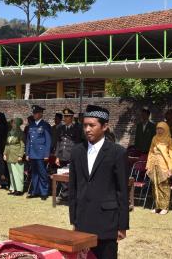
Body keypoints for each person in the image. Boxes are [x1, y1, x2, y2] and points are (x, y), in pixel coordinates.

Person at [69, 105, 129, 259]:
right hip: (83, 220)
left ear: (105, 126)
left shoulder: (117, 153)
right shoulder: (77, 152)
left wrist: (122, 225)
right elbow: (73, 188)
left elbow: (122, 191)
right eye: (85, 125)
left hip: (107, 222)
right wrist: (74, 220)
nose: (87, 129)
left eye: (92, 125)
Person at [146, 122, 172, 215]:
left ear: (165, 129)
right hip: (154, 165)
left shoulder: (169, 140)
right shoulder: (154, 138)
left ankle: (165, 207)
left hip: (164, 166)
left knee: (164, 186)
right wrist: (148, 165)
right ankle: (157, 207)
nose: (158, 130)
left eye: (161, 128)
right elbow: (150, 152)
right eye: (157, 128)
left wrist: (170, 169)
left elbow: (171, 155)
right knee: (155, 186)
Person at [26, 105, 52, 201]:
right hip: (33, 153)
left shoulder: (45, 125)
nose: (34, 115)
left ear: (41, 114)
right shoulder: (31, 125)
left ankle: (44, 192)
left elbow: (48, 141)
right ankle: (35, 191)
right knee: (34, 174)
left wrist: (46, 154)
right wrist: (27, 153)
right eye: (33, 113)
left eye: (36, 113)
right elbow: (29, 140)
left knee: (42, 174)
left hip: (41, 154)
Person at [4, 118, 25, 196]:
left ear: (18, 124)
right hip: (9, 154)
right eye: (12, 123)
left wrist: (20, 155)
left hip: (16, 155)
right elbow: (7, 144)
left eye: (14, 123)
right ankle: (13, 188)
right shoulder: (9, 132)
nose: (13, 124)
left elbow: (22, 145)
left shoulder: (21, 133)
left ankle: (19, 189)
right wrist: (4, 153)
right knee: (11, 173)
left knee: (18, 172)